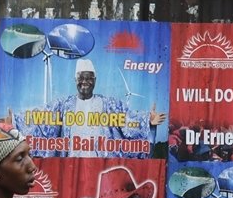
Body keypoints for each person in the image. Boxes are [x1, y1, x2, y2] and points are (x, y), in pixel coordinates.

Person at [11, 58, 165, 157]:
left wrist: (147, 120)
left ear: (95, 80)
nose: (84, 82)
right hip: (72, 168)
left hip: (100, 168)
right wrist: (14, 122)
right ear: (75, 79)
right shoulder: (63, 105)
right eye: (81, 78)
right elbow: (40, 119)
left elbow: (128, 120)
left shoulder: (109, 105)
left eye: (89, 78)